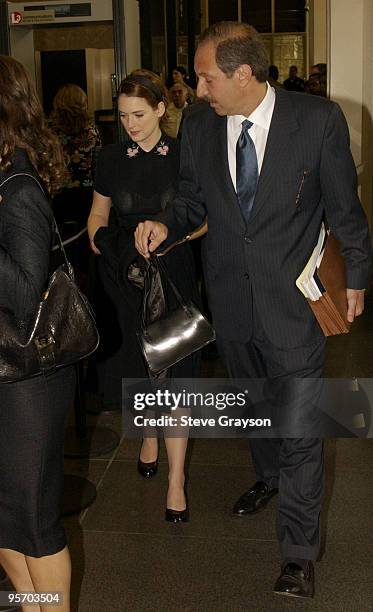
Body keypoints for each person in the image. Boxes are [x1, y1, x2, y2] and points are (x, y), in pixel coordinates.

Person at [134, 21, 372, 598]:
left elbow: (345, 207)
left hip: (294, 304)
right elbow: (192, 198)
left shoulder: (317, 121)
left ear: (243, 75)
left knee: (299, 428)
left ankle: (297, 553)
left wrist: (358, 277)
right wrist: (168, 222)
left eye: (206, 77)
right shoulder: (198, 124)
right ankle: (268, 478)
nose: (198, 88)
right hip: (231, 304)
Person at [87, 69, 200, 522]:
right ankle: (148, 433)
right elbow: (96, 218)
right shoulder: (111, 158)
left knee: (176, 380)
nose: (130, 124)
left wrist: (168, 236)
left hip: (172, 275)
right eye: (122, 116)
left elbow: (205, 220)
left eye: (138, 114)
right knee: (141, 373)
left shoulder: (184, 157)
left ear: (160, 109)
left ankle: (176, 481)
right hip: (128, 280)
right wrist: (111, 241)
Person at [0, 55, 76, 611]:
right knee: (5, 515)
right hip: (7, 372)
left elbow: (26, 295)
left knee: (33, 518)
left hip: (29, 381)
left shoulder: (20, 186)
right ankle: (34, 604)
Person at [50, 83, 101, 231]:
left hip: (58, 195)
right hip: (86, 194)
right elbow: (98, 165)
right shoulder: (92, 132)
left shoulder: (50, 134)